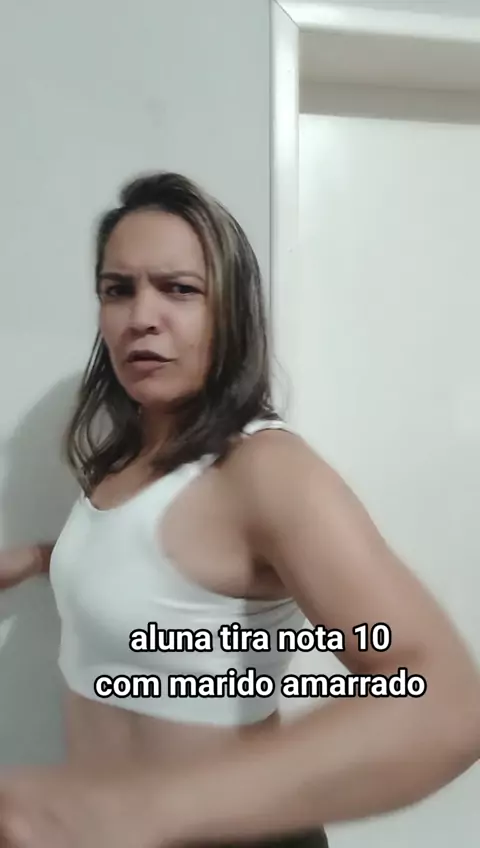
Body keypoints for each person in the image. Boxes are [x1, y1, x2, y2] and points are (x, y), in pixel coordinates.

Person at [0, 171, 479, 848]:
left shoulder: (265, 469)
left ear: (230, 310)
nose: (141, 316)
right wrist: (38, 559)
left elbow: (444, 702)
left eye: (179, 289)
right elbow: (157, 571)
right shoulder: (123, 456)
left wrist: (139, 812)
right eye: (118, 289)